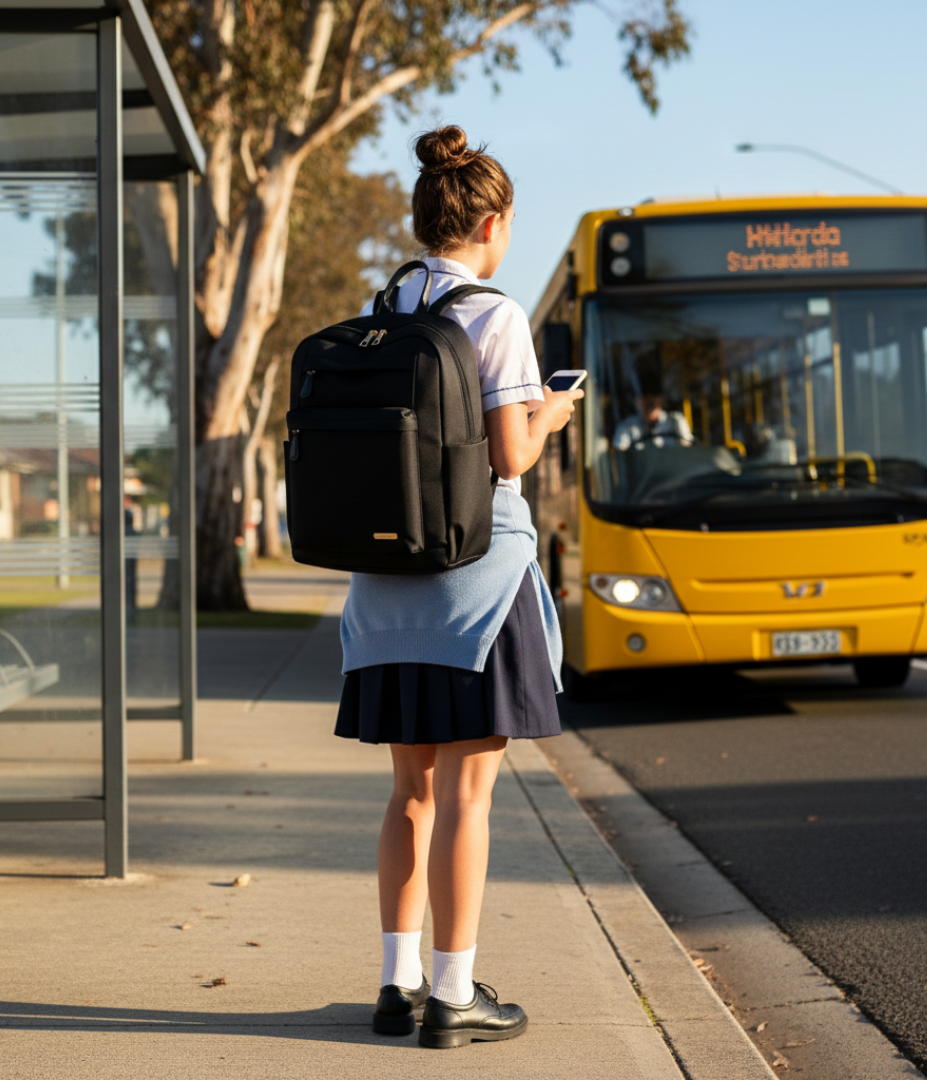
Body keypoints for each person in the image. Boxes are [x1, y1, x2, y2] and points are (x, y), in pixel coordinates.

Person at [333, 125, 583, 1050]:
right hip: (477, 585)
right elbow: (511, 454)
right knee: (469, 795)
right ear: (488, 220)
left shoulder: (385, 308)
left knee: (409, 792)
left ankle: (397, 987)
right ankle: (454, 993)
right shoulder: (495, 315)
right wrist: (551, 409)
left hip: (388, 584)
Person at [612, 382, 694, 451]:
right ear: (635, 402)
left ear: (661, 399)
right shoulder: (626, 426)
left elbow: (687, 451)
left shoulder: (675, 421)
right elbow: (620, 454)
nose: (649, 401)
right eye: (644, 397)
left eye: (653, 397)